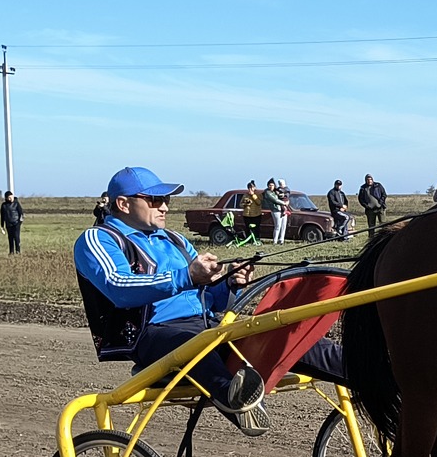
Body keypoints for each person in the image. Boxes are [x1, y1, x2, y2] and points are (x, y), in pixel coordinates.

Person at [73, 167, 269, 436]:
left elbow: (208, 297)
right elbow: (119, 287)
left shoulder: (175, 239)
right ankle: (234, 399)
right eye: (154, 200)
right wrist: (187, 275)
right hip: (153, 333)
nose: (164, 207)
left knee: (273, 329)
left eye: (167, 200)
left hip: (203, 324)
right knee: (192, 343)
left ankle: (346, 370)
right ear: (123, 204)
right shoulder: (98, 239)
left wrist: (230, 282)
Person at [267, 178, 290, 245]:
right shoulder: (269, 193)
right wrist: (284, 203)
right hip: (276, 209)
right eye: (270, 185)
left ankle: (281, 240)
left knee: (283, 225)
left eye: (272, 185)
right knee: (278, 225)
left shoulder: (284, 189)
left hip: (282, 208)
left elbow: (287, 194)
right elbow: (275, 200)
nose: (271, 186)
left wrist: (286, 200)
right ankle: (275, 240)